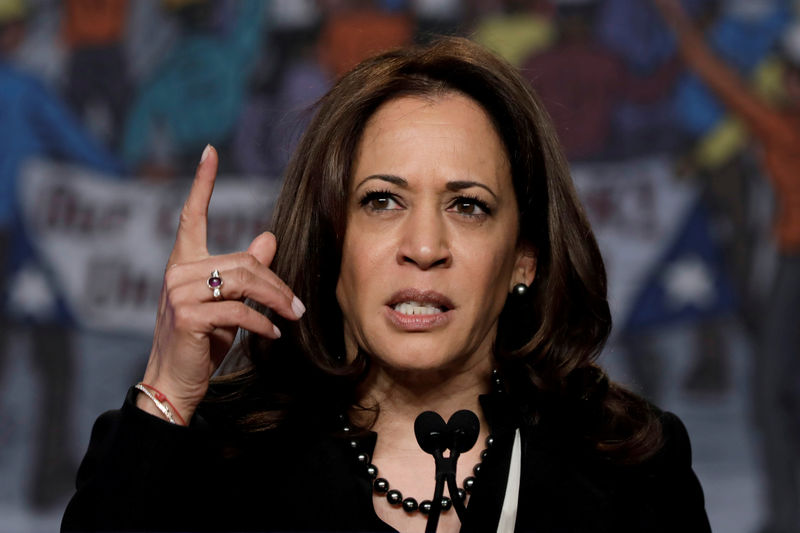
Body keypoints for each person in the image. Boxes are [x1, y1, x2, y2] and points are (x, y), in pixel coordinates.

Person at [61, 37, 710, 533]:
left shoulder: (632, 464)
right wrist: (169, 394)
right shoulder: (204, 453)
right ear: (332, 243)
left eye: (468, 205)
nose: (423, 248)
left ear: (524, 258)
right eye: (381, 201)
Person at [651, 2, 800, 532]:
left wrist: (679, 24)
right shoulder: (778, 121)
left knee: (773, 394)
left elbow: (717, 78)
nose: (782, 80)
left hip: (791, 265)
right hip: (785, 263)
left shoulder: (782, 127)